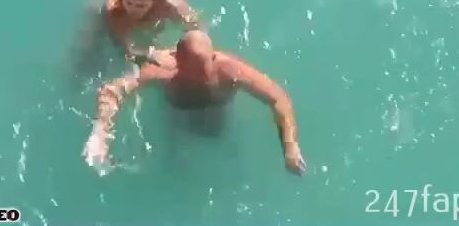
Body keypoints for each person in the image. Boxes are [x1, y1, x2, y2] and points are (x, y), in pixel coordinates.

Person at [82, 30, 307, 175]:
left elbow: (278, 97)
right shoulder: (161, 71)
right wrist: (100, 134)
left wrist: (290, 145)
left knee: (223, 148)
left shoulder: (230, 69)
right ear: (176, 61)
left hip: (217, 113)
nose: (200, 78)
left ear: (213, 57)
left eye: (204, 71)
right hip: (177, 113)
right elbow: (112, 90)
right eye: (192, 72)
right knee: (174, 166)